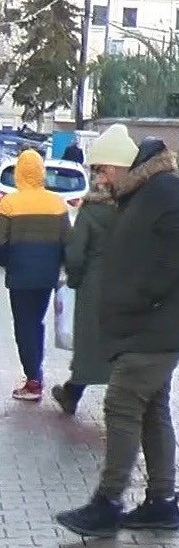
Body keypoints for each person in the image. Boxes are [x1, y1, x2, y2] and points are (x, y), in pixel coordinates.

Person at [56, 125, 179, 539]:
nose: (100, 178)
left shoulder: (166, 189)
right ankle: (161, 503)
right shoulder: (140, 192)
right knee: (153, 410)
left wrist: (144, 298)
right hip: (147, 324)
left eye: (102, 170)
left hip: (155, 326)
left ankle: (108, 502)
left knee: (121, 404)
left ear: (120, 163)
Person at [0, 148, 71, 400]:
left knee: (23, 325)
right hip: (46, 277)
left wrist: (8, 262)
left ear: (19, 171)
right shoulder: (56, 203)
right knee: (36, 323)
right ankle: (35, 372)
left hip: (19, 276)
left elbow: (1, 241)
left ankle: (33, 380)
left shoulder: (8, 203)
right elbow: (68, 242)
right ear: (41, 172)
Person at [51, 165, 118, 414]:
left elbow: (76, 252)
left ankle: (72, 393)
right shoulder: (130, 208)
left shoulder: (92, 210)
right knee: (117, 342)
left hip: (93, 284)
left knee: (89, 342)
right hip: (123, 282)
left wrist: (74, 280)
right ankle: (118, 399)